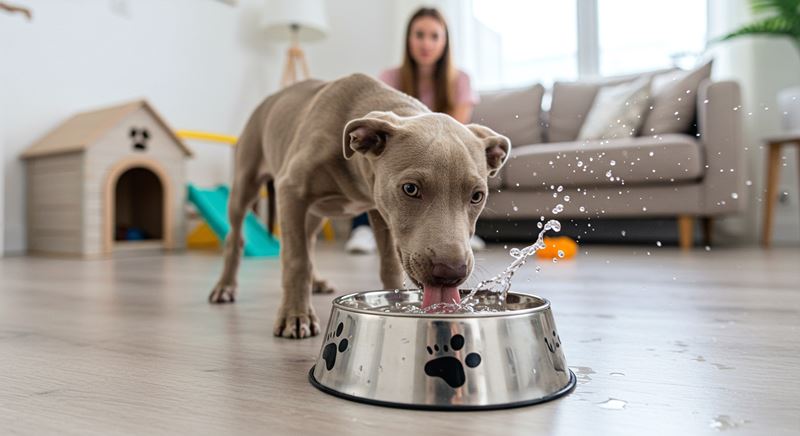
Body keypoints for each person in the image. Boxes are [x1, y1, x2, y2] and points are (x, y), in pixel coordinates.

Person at [345, 6, 486, 253]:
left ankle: (458, 233)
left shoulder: (460, 79)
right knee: (378, 161)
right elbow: (390, 131)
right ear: (409, 39)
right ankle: (365, 228)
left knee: (465, 175)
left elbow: (457, 132)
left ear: (445, 42)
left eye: (434, 36)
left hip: (445, 155)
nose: (426, 43)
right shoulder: (390, 77)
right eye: (419, 35)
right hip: (408, 151)